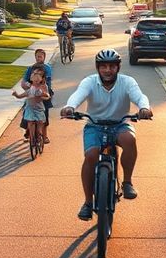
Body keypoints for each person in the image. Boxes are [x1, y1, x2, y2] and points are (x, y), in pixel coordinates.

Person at [60, 49, 153, 221]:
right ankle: (88, 202)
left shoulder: (127, 82)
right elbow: (77, 95)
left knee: (129, 139)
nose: (108, 70)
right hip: (94, 125)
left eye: (112, 66)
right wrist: (70, 107)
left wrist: (144, 108)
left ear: (118, 67)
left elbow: (140, 97)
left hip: (120, 124)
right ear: (97, 68)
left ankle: (127, 183)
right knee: (91, 155)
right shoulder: (90, 82)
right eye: (103, 66)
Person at [19, 49, 54, 142]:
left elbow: (47, 82)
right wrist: (30, 89)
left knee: (44, 115)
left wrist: (43, 92)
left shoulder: (47, 68)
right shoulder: (31, 68)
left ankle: (45, 135)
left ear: (44, 57)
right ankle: (28, 132)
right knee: (27, 112)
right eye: (37, 56)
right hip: (32, 95)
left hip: (43, 94)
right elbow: (23, 82)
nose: (39, 58)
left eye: (40, 56)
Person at [12, 66, 51, 144]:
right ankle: (31, 136)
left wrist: (44, 95)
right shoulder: (30, 88)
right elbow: (23, 94)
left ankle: (39, 132)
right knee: (30, 121)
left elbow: (47, 95)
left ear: (42, 78)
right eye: (34, 74)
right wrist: (16, 95)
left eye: (39, 75)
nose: (36, 77)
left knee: (40, 121)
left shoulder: (43, 87)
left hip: (39, 108)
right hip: (30, 108)